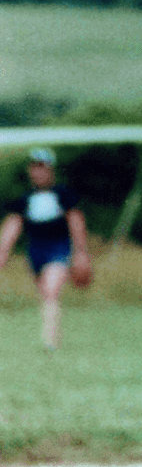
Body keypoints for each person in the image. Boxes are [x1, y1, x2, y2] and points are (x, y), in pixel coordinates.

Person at [0, 147, 91, 351]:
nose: (38, 172)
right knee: (44, 293)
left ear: (51, 169)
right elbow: (13, 225)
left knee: (51, 290)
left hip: (58, 248)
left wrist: (81, 252)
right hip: (35, 251)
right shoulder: (25, 198)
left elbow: (75, 221)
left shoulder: (62, 194)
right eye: (35, 167)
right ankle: (51, 335)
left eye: (42, 167)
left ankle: (50, 340)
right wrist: (3, 251)